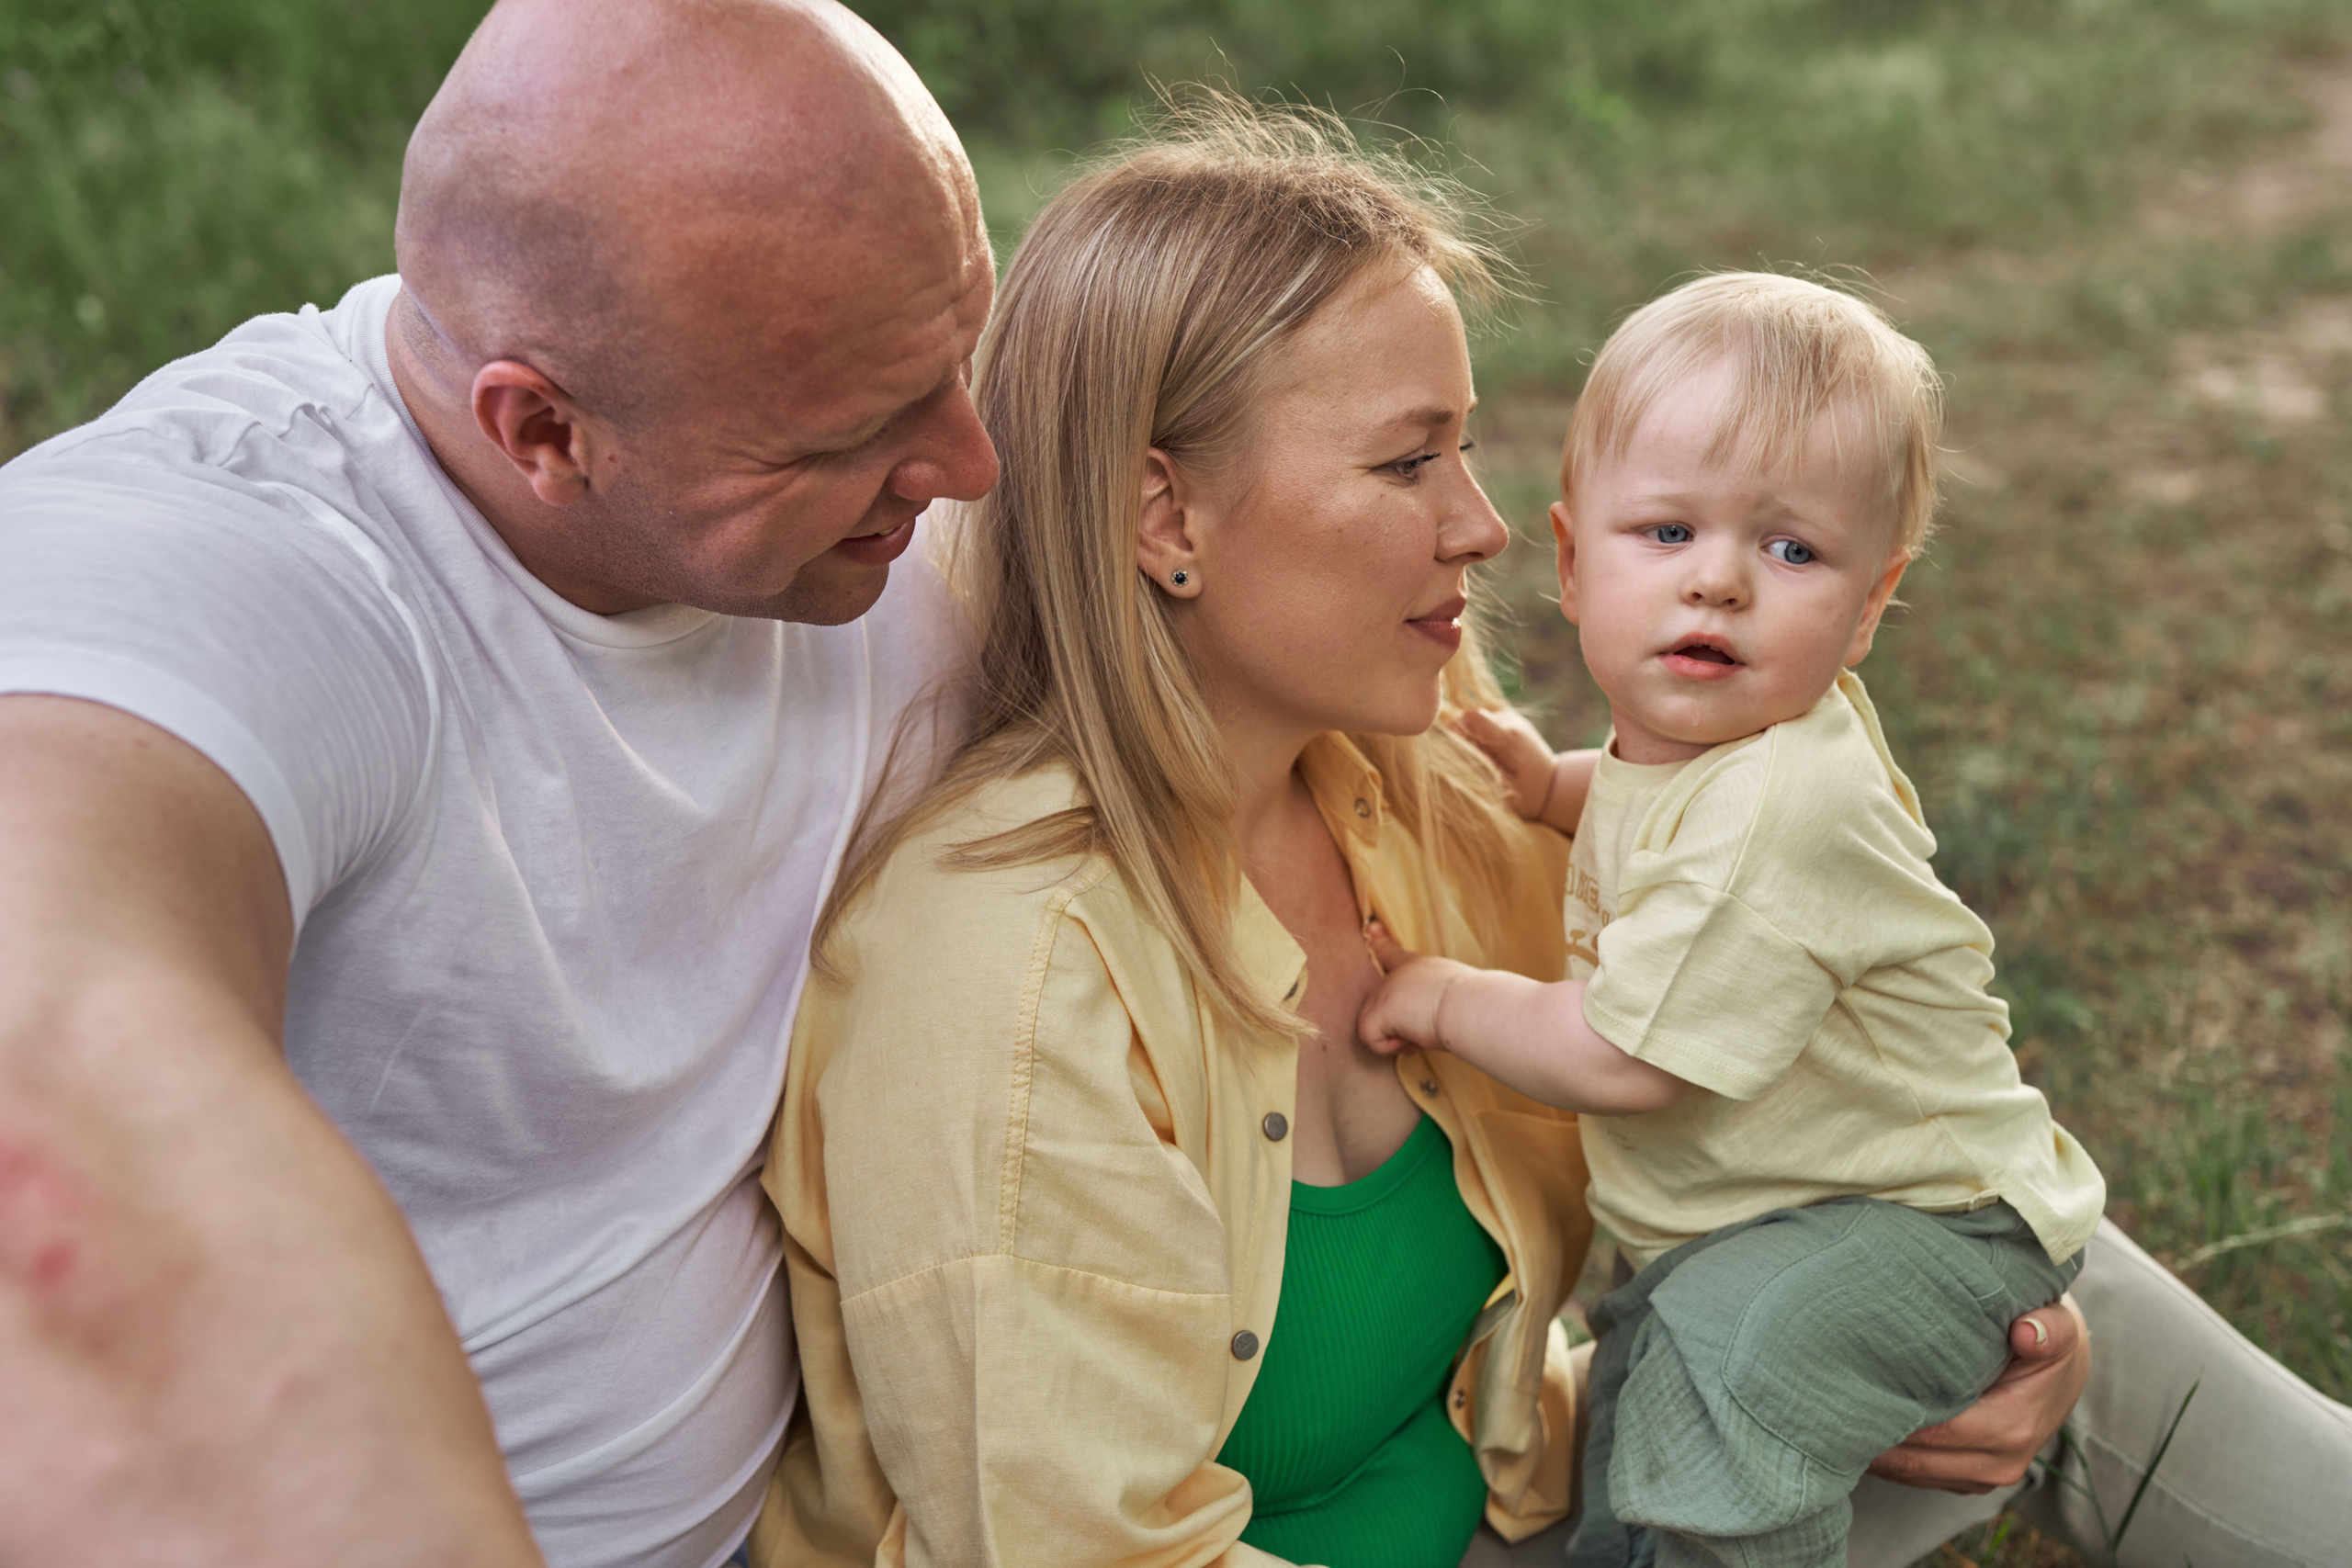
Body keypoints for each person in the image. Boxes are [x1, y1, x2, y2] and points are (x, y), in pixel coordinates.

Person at [752, 106, 2091, 1568]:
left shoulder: (1423, 768)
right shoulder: (1003, 981)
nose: (1487, 526)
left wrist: (2032, 1334)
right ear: (1164, 513)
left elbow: (1859, 1085)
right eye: (1408, 465)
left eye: (1465, 449)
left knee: (2030, 1289)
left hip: (1529, 1506)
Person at [0, 1, 996, 1562]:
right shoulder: (246, 567)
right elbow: (42, 1079)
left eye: (961, 352)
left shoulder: (837, 509)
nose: (969, 465)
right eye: (865, 425)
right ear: (542, 430)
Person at [1358, 272, 2106, 1568]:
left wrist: (1440, 995)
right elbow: (1668, 809)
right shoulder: (1720, 749)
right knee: (1646, 1402)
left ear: (1871, 602)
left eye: (1793, 550)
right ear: (1574, 559)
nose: (1720, 584)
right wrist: (1553, 790)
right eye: (1666, 534)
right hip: (1772, 1217)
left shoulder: (1782, 807)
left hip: (1919, 1225)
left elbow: (1619, 1056)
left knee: (1735, 1380)